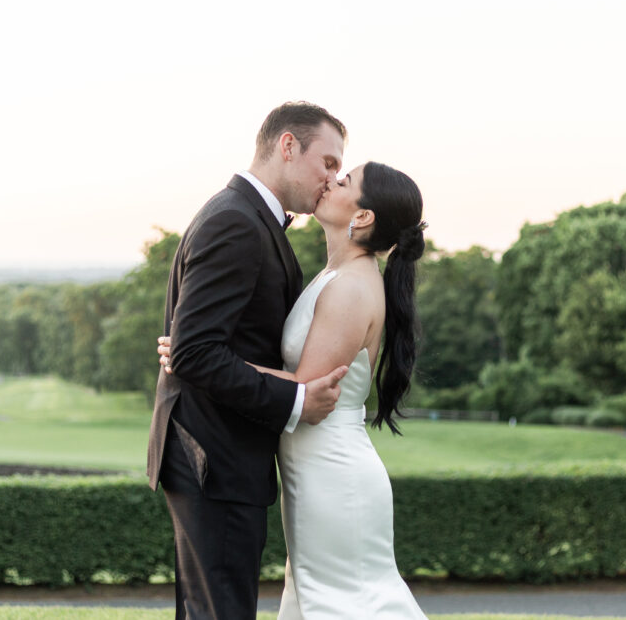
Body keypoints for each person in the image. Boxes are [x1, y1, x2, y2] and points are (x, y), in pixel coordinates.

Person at [160, 161, 429, 617]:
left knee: (343, 602)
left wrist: (197, 355)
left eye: (344, 180)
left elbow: (307, 390)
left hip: (333, 475)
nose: (331, 180)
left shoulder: (350, 288)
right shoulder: (333, 276)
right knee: (317, 599)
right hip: (313, 467)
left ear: (362, 217)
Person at [146, 101, 352, 619]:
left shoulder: (246, 217)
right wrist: (297, 398)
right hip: (213, 456)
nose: (331, 179)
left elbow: (199, 344)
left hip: (218, 455)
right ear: (287, 145)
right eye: (327, 162)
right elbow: (194, 352)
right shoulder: (236, 221)